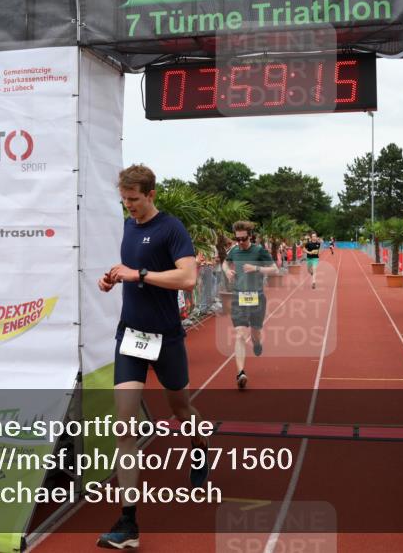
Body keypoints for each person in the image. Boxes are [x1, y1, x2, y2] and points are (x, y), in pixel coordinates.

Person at [95, 165, 209, 550]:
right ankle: (128, 521)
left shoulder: (172, 229)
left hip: (167, 338)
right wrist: (112, 278)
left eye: (135, 200)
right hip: (130, 335)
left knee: (181, 409)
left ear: (151, 194)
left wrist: (139, 274)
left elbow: (187, 279)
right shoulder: (128, 227)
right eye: (124, 200)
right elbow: (129, 273)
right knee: (123, 427)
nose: (129, 206)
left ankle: (199, 446)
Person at [223, 221, 276, 390]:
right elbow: (225, 263)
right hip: (239, 297)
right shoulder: (234, 251)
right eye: (237, 239)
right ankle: (241, 373)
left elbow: (275, 269)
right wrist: (227, 271)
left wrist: (256, 268)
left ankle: (257, 342)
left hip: (257, 297)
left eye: (243, 239)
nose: (240, 242)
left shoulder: (259, 251)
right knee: (239, 334)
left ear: (250, 236)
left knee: (255, 331)